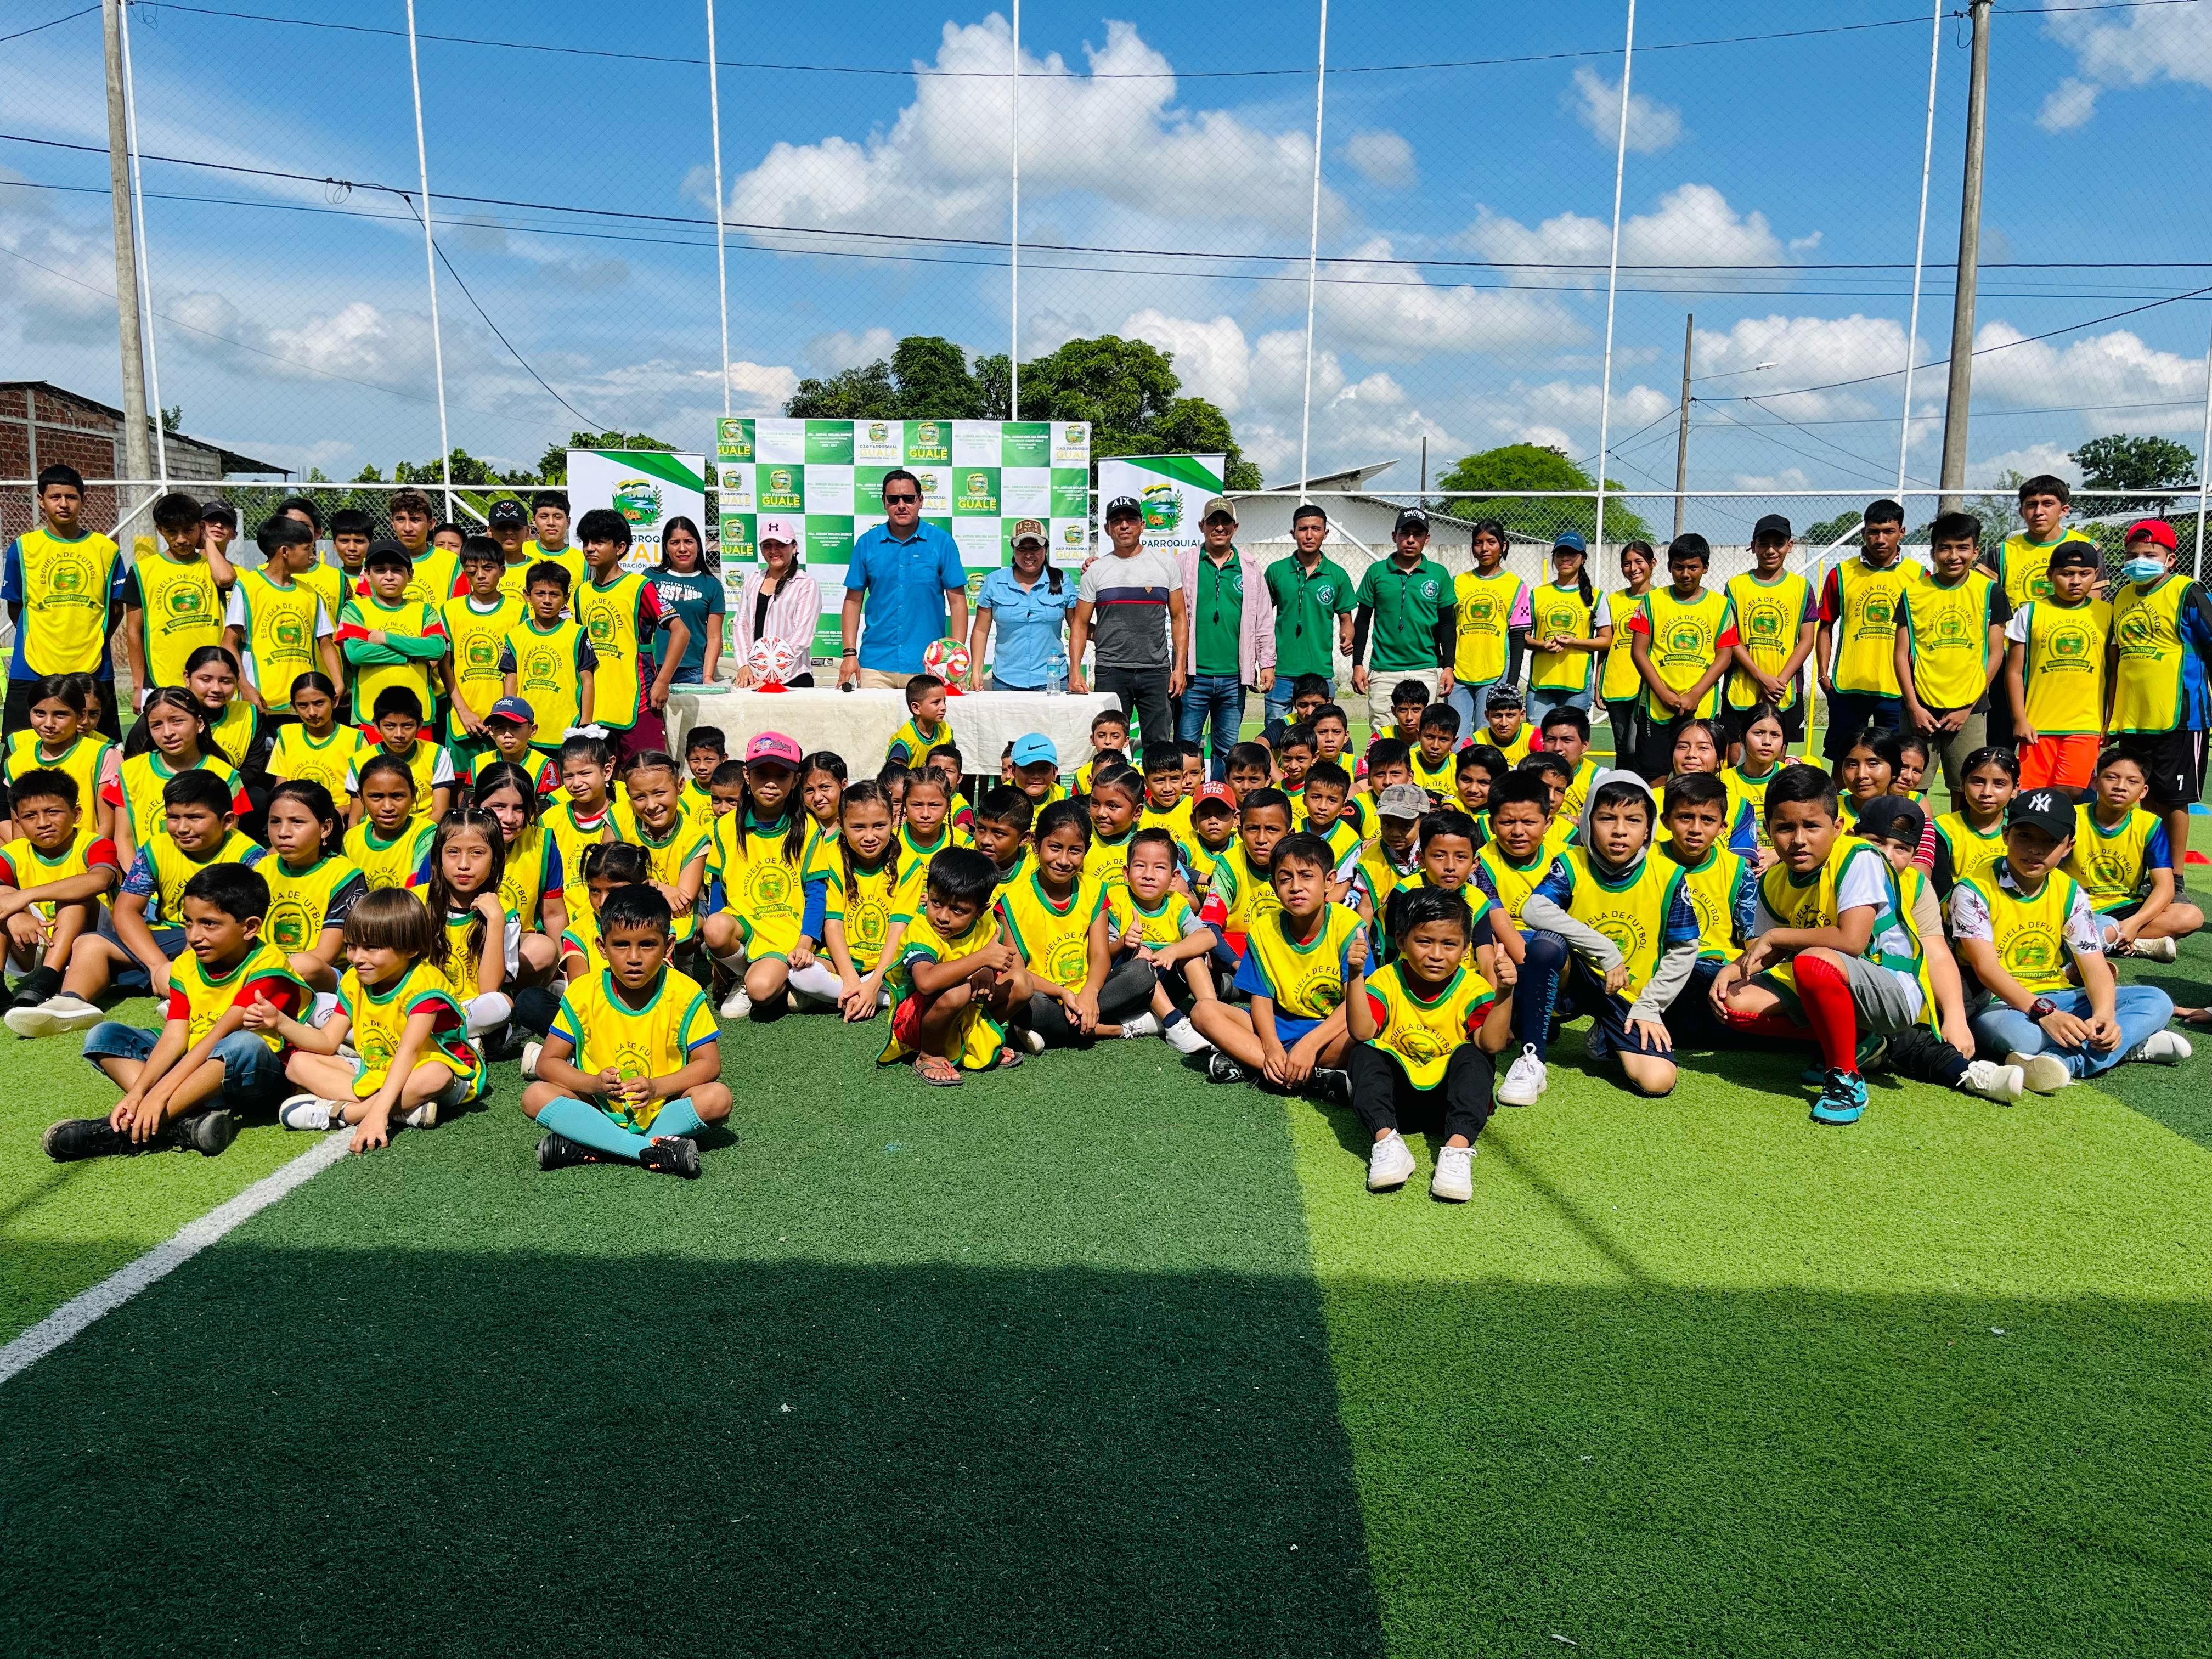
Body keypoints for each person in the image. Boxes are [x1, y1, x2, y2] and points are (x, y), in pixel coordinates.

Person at [1709, 763, 1936, 1125]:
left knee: (1812, 962)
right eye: (1785, 827)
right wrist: (1733, 970)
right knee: (1732, 1002)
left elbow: (1851, 940)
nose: (1798, 839)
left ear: (1838, 827)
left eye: (1812, 826)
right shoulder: (1774, 880)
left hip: (1893, 989)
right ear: (1769, 830)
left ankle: (1845, 1079)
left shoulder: (1858, 856)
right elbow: (1769, 952)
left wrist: (1777, 936)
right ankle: (1857, 1040)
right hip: (1828, 975)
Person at [44, 864, 302, 1161]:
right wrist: (140, 1092)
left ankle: (125, 1133)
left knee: (243, 1043)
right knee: (105, 1035)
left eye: (210, 924)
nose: (194, 936)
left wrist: (160, 1093)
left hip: (253, 1078)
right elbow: (175, 1036)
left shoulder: (268, 966)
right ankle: (179, 1121)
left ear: (250, 928)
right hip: (195, 1066)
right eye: (188, 923)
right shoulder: (186, 964)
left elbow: (219, 1036)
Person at [1949, 786, 2186, 1093]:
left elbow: (2093, 964)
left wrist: (2104, 1015)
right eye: (2025, 836)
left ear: (2068, 846)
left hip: (2061, 994)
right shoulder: (1972, 890)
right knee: (2023, 1038)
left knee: (2156, 1000)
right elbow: (1986, 969)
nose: (2035, 850)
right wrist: (2045, 1014)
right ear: (2006, 835)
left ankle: (2064, 1061)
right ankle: (2126, 1046)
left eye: (2050, 841)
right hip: (2001, 1004)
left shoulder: (2070, 890)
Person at [1501, 772, 1697, 1104]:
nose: (1619, 830)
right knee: (1545, 945)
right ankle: (1532, 1059)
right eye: (1607, 818)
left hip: (1629, 992)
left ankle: (1605, 1035)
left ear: (1648, 828)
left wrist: (1651, 1005)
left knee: (1657, 1081)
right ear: (1588, 823)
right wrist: (1605, 949)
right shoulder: (1571, 863)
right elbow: (1534, 909)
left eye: (1633, 820)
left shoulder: (1669, 875)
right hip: (1575, 977)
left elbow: (1684, 949)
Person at [262, 887, 486, 1150]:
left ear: (411, 949)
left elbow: (410, 1052)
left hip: (435, 1075)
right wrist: (280, 1021)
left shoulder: (425, 985)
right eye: (351, 946)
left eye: (371, 947)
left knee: (436, 1075)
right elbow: (327, 1042)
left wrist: (377, 1116)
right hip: (379, 1071)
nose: (357, 958)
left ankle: (346, 1114)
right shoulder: (354, 980)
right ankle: (404, 1110)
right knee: (298, 1064)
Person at [1347, 884, 1514, 1202]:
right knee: (1364, 1052)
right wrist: (1355, 975)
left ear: (1465, 949)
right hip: (1398, 1104)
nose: (1436, 955)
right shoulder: (1386, 979)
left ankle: (1457, 1149)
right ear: (1402, 941)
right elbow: (1362, 1031)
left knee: (1475, 1054)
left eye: (1449, 944)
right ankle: (1386, 1142)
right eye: (1424, 942)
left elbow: (1492, 1045)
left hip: (1448, 1103)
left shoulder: (1474, 988)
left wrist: (1505, 993)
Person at [1192, 831, 1363, 1091]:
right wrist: (1271, 1046)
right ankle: (1309, 1079)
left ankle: (1253, 1063)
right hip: (1277, 1023)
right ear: (1274, 886)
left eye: (1307, 876)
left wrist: (1310, 1044)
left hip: (1330, 1031)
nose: (1296, 887)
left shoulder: (1348, 926)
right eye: (1285, 879)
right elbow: (1261, 999)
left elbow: (1354, 1003)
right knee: (1203, 1011)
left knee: (1366, 1034)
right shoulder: (1263, 929)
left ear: (1329, 881)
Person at [2105, 517, 2212, 886]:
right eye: (2133, 555)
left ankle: (2176, 877)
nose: (2140, 561)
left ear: (2170, 559)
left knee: (2174, 799)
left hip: (2181, 716)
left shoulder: (2188, 592)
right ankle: (2153, 871)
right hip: (2134, 716)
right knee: (2144, 795)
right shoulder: (2122, 596)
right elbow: (2117, 661)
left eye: (2150, 555)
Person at [878, 845, 1027, 1081]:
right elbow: (926, 982)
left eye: (958, 910)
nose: (943, 917)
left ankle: (972, 1041)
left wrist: (987, 969)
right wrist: (982, 959)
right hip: (912, 1021)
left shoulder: (987, 924)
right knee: (959, 992)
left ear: (980, 912)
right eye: (936, 902)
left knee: (1021, 983)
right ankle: (930, 1054)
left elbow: (1001, 957)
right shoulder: (921, 929)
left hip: (963, 1008)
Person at [4, 464, 127, 739]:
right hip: (32, 666)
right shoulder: (23, 548)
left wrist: (92, 639)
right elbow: (16, 607)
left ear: (83, 500)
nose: (63, 504)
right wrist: (40, 635)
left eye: (71, 497)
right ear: (41, 500)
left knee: (101, 750)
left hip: (94, 666)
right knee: (21, 751)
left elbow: (116, 609)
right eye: (55, 497)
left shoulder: (106, 549)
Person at [1895, 511, 2008, 793]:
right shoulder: (1912, 594)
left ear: (1976, 551)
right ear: (1933, 552)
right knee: (1909, 786)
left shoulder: (1991, 592)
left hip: (1969, 710)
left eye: (1962, 548)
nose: (1953, 556)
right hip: (1921, 709)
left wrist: (1967, 707)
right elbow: (1900, 655)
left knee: (1968, 787)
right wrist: (1914, 707)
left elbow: (1996, 654)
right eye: (1945, 548)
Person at [0, 769, 121, 1024]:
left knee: (75, 898)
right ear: (18, 823)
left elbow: (99, 880)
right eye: (30, 816)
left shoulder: (95, 844)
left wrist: (25, 897)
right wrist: (15, 914)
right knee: (4, 904)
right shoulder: (13, 853)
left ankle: (48, 978)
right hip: (35, 942)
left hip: (89, 941)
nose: (43, 823)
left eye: (53, 812)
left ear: (76, 814)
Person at [703, 731, 810, 1020]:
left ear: (796, 780)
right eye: (762, 773)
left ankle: (772, 980)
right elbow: (718, 887)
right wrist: (717, 960)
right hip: (744, 924)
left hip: (784, 934)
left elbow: (816, 894)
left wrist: (804, 943)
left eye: (782, 775)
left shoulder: (806, 827)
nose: (771, 783)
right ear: (746, 775)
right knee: (714, 928)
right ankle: (742, 977)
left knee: (761, 992)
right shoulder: (725, 826)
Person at [2063, 744, 2203, 961]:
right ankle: (2132, 943)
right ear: (2095, 782)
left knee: (2191, 916)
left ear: (2143, 791)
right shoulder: (2071, 817)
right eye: (2111, 778)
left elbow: (2165, 887)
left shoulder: (2149, 825)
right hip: (2075, 905)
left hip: (2124, 907)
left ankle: (2104, 938)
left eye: (2132, 781)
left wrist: (2134, 924)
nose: (2121, 787)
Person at [1069, 495, 1187, 747]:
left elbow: (1179, 618)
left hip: (1156, 671)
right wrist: (1075, 670)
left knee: (1158, 748)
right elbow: (1079, 624)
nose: (1124, 525)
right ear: (1107, 529)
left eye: (1131, 519)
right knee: (1109, 748)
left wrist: (1179, 669)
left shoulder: (1165, 565)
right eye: (1117, 521)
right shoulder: (1096, 571)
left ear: (1142, 525)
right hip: (1111, 670)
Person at [574, 507, 687, 761]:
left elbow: (681, 631)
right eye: (586, 542)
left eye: (599, 542)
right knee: (602, 777)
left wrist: (663, 681)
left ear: (620, 548)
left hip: (639, 703)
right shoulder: (582, 593)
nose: (590, 548)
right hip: (595, 706)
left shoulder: (639, 587)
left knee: (648, 773)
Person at [840, 470, 969, 690]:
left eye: (908, 498)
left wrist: (955, 660)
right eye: (893, 499)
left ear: (921, 500)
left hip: (928, 665)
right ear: (884, 502)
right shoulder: (867, 543)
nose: (901, 505)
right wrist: (849, 653)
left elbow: (958, 602)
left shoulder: (942, 542)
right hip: (875, 666)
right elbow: (852, 601)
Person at [1816, 498, 1920, 764]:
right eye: (1873, 532)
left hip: (1898, 689)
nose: (1880, 539)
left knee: (1894, 763)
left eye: (1888, 531)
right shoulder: (1841, 574)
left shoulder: (1920, 576)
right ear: (1863, 533)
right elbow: (1825, 626)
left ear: (1902, 532)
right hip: (1849, 687)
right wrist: (1824, 673)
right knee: (1844, 759)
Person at [1626, 533, 1737, 781]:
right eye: (1679, 567)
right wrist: (1662, 693)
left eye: (1693, 567)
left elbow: (1724, 657)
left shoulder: (1721, 606)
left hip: (1701, 706)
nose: (1685, 574)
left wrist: (1695, 694)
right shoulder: (1652, 600)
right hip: (1656, 705)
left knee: (1698, 775)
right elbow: (1638, 652)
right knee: (1655, 776)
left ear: (1705, 568)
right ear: (1669, 567)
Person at [1177, 498, 1273, 778]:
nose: (1219, 527)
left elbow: (1264, 618)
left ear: (1235, 527)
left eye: (1225, 522)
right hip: (1193, 676)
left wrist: (1267, 662)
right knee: (1186, 749)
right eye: (1213, 522)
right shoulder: (1184, 563)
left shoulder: (1250, 567)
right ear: (1202, 526)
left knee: (1226, 750)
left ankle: (1219, 799)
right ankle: (1187, 801)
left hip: (1234, 677)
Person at [2004, 540, 2109, 792]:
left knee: (2072, 791)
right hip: (2038, 725)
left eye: (2084, 574)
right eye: (2067, 574)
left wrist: (2109, 721)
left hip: (2086, 724)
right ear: (2050, 575)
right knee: (2033, 795)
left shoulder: (2107, 614)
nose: (2076, 581)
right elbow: (2014, 672)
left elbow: (2114, 672)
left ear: (2096, 575)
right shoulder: (2030, 612)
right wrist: (2020, 719)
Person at [1351, 508, 1457, 734]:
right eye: (1405, 533)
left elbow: (1447, 624)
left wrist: (1449, 667)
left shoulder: (1438, 574)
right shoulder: (1376, 572)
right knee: (1383, 736)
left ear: (1427, 539)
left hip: (1426, 668)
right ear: (1394, 536)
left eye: (1417, 534)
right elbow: (1362, 621)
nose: (1410, 540)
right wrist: (1357, 664)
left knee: (1425, 734)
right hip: (1384, 670)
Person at [122, 490, 234, 699]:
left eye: (188, 530)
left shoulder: (213, 567)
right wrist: (138, 685)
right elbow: (134, 632)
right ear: (160, 530)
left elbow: (226, 579)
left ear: (200, 527)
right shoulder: (142, 571)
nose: (181, 539)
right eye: (172, 532)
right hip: (162, 677)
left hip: (212, 677)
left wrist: (208, 541)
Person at [227, 513, 340, 713]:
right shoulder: (248, 587)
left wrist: (338, 683)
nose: (312, 555)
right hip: (263, 702)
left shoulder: (310, 594)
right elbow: (228, 643)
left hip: (304, 704)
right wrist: (244, 686)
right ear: (285, 551)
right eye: (307, 549)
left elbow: (325, 642)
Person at [1723, 515, 1817, 757]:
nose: (1771, 550)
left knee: (1775, 760)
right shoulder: (1736, 586)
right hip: (1742, 687)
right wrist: (1761, 677)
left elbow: (1807, 640)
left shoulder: (1802, 587)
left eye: (1778, 543)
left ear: (1790, 546)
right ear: (1753, 546)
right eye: (1764, 543)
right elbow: (1730, 638)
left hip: (1784, 690)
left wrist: (1779, 682)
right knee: (1735, 758)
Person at [257, 778, 362, 992]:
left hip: (320, 977)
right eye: (275, 821)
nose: (283, 832)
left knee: (304, 964)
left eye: (297, 822)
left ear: (325, 828)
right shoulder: (263, 868)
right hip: (262, 970)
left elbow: (326, 955)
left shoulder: (344, 875)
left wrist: (263, 973)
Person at [336, 541, 449, 731]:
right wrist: (412, 657)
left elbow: (437, 649)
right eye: (380, 570)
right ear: (367, 575)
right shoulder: (355, 609)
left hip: (418, 715)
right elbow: (356, 654)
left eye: (397, 570)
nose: (389, 577)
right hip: (370, 716)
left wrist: (385, 639)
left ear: (410, 575)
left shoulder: (425, 611)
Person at [1262, 503, 1356, 724]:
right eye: (1303, 529)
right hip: (1281, 672)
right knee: (1277, 734)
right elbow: (1262, 619)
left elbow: (1346, 620)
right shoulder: (1276, 571)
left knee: (1319, 733)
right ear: (1293, 532)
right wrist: (1264, 662)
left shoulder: (1337, 575)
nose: (1309, 535)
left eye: (1316, 529)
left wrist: (1348, 638)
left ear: (1326, 533)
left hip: (1320, 673)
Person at [4, 672, 116, 842]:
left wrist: (85, 855)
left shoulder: (104, 756)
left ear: (81, 716)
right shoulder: (16, 762)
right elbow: (20, 833)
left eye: (60, 714)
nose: (49, 724)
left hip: (90, 855)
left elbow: (108, 826)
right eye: (40, 713)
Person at [440, 536, 523, 761]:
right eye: (472, 570)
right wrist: (463, 711)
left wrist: (504, 715)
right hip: (462, 721)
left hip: (505, 724)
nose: (480, 575)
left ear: (502, 570)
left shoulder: (519, 611)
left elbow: (516, 669)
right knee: (460, 780)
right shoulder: (449, 610)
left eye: (488, 568)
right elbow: (445, 665)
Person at [499, 562, 597, 751]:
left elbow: (587, 681)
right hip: (526, 732)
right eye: (540, 593)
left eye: (554, 594)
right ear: (527, 595)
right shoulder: (515, 636)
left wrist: (585, 724)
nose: (547, 600)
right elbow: (511, 681)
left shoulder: (577, 634)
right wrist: (509, 721)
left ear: (566, 598)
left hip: (568, 730)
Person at [1445, 518, 1525, 734]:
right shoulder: (1457, 582)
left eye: (1491, 542)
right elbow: (1446, 628)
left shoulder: (1516, 586)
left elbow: (1518, 637)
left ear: (1503, 546)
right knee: (1455, 739)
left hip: (1496, 674)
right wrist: (1446, 665)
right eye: (1478, 543)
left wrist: (1511, 681)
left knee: (1486, 738)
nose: (1484, 549)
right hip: (1459, 674)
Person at [1524, 531, 1610, 725]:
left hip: (1577, 685)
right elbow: (1523, 637)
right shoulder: (1537, 594)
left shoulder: (1596, 596)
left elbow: (1606, 640)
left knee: (1570, 740)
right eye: (1560, 553)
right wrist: (1542, 645)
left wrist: (1574, 642)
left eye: (1572, 553)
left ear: (1583, 558)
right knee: (1539, 741)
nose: (1565, 558)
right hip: (1541, 685)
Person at [730, 517, 822, 688]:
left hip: (792, 678)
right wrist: (744, 664)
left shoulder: (806, 585)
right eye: (767, 545)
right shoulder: (752, 580)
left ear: (794, 547)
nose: (774, 550)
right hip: (754, 678)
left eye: (780, 544)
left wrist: (769, 669)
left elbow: (802, 636)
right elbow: (740, 624)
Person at [1595, 539, 1656, 774]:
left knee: (1636, 748)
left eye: (1639, 562)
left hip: (1647, 684)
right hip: (1616, 682)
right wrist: (1598, 682)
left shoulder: (1661, 598)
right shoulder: (1613, 600)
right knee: (1622, 748)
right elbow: (1605, 644)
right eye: (1627, 563)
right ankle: (1621, 789)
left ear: (1653, 563)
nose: (1633, 568)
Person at [646, 515, 723, 688]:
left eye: (688, 542)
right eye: (675, 543)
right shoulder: (649, 578)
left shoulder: (712, 585)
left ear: (699, 546)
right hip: (653, 668)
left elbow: (714, 637)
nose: (682, 549)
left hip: (693, 673)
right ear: (666, 548)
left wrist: (707, 677)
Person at [342, 753, 436, 890]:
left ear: (413, 795)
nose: (387, 807)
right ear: (361, 797)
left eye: (397, 796)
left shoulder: (426, 835)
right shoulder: (350, 840)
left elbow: (418, 887)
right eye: (376, 797)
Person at [382, 488, 461, 607]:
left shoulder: (452, 562)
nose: (408, 528)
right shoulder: (376, 561)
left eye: (415, 520)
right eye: (401, 520)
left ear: (431, 524)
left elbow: (460, 609)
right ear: (392, 523)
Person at [524, 490, 585, 597]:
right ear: (534, 520)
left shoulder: (582, 560)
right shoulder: (522, 552)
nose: (551, 523)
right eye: (544, 517)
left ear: (568, 522)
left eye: (558, 517)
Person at [885, 674, 951, 771]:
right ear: (916, 708)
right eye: (936, 702)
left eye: (944, 701)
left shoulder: (945, 730)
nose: (943, 707)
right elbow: (894, 776)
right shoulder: (905, 742)